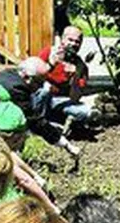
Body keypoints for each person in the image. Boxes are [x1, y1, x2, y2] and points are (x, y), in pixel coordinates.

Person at [34, 26, 92, 155]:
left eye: (77, 41)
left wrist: (75, 77)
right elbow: (33, 78)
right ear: (62, 39)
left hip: (60, 101)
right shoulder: (48, 53)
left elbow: (75, 97)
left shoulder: (80, 65)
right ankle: (39, 125)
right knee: (45, 89)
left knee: (86, 112)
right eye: (70, 40)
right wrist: (51, 65)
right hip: (41, 98)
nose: (74, 44)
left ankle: (55, 122)